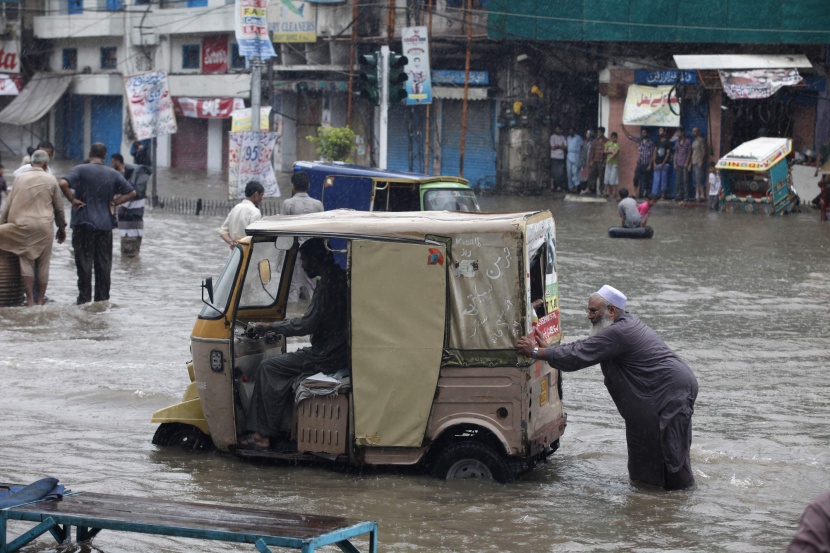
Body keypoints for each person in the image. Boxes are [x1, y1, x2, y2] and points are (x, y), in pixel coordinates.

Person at [516, 285, 698, 490]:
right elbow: (583, 346)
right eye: (588, 310)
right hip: (653, 394)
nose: (589, 316)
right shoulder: (618, 328)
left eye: (593, 311)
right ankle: (648, 496)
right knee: (643, 444)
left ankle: (682, 496)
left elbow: (578, 354)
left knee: (671, 450)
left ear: (611, 310)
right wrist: (549, 351)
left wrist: (536, 352)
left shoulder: (619, 331)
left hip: (670, 391)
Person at [239, 238, 349, 451]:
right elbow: (315, 320)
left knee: (269, 367)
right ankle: (281, 426)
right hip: (335, 350)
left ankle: (261, 436)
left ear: (315, 260)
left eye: (304, 261)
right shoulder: (337, 278)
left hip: (326, 355)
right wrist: (281, 325)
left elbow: (307, 324)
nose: (303, 266)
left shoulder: (327, 286)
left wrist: (271, 326)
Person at [59, 143, 135, 304]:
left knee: (84, 263)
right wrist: (114, 202)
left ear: (89, 154)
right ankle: (102, 301)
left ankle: (84, 300)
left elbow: (63, 183)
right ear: (105, 156)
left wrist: (73, 199)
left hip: (83, 223)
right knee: (104, 264)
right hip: (104, 225)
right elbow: (131, 192)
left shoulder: (79, 170)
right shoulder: (113, 173)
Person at [0, 150, 66, 306]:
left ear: (31, 163)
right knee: (43, 264)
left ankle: (29, 299)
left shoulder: (19, 179)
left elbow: (8, 205)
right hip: (44, 227)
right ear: (46, 164)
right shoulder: (51, 179)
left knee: (26, 261)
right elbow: (59, 208)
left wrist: (2, 224)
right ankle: (40, 300)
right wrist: (62, 228)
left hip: (22, 226)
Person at [282, 172, 324, 302]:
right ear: (308, 185)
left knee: (293, 287)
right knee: (311, 287)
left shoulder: (288, 204)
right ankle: (311, 310)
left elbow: (283, 230)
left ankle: (293, 312)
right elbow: (322, 231)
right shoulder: (317, 204)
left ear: (293, 186)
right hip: (313, 254)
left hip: (294, 252)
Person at [111, 154, 151, 257]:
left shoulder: (128, 196)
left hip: (128, 232)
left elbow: (121, 211)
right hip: (137, 229)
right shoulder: (140, 194)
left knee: (128, 259)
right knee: (134, 257)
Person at [219, 180, 264, 249]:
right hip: (247, 251)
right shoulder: (255, 212)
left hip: (234, 252)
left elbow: (223, 231)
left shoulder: (236, 208)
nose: (261, 198)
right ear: (256, 195)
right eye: (261, 195)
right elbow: (254, 237)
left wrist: (231, 242)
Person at [622, 125, 655, 199]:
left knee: (646, 180)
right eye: (642, 133)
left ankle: (644, 194)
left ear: (648, 134)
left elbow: (652, 154)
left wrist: (650, 164)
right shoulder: (640, 140)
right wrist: (623, 128)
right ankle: (636, 193)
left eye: (645, 133)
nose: (643, 134)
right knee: (636, 178)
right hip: (640, 163)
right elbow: (629, 137)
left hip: (647, 163)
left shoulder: (651, 143)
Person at [652, 127, 672, 199]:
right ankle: (654, 194)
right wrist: (654, 163)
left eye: (661, 130)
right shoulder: (657, 141)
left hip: (664, 164)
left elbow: (668, 153)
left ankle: (663, 194)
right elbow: (654, 151)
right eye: (659, 130)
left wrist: (663, 163)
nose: (660, 132)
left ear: (664, 132)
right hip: (657, 163)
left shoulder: (667, 142)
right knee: (656, 179)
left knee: (664, 179)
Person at [587, 127, 608, 196]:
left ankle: (601, 190)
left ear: (603, 132)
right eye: (598, 132)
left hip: (602, 161)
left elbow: (607, 152)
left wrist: (605, 161)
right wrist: (590, 160)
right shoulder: (595, 141)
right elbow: (591, 151)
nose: (599, 133)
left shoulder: (607, 141)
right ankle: (590, 189)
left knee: (601, 177)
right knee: (591, 175)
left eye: (600, 132)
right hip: (594, 161)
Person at [673, 128, 693, 202]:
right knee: (678, 181)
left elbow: (689, 152)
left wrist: (687, 162)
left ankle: (686, 196)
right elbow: (676, 152)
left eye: (678, 132)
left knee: (685, 181)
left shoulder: (687, 141)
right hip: (678, 163)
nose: (677, 134)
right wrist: (674, 162)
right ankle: (678, 195)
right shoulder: (677, 142)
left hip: (685, 164)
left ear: (682, 133)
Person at [549, 125, 567, 192]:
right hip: (554, 157)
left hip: (561, 157)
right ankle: (553, 186)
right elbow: (553, 147)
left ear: (561, 130)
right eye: (556, 129)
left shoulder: (563, 137)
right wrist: (560, 146)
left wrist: (558, 146)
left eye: (558, 129)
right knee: (554, 172)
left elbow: (565, 147)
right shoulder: (552, 137)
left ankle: (559, 186)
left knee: (560, 172)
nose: (557, 130)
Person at [691, 127, 707, 202]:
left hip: (698, 161)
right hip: (694, 161)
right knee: (695, 179)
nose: (693, 133)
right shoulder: (694, 141)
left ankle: (701, 195)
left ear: (698, 132)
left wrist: (701, 161)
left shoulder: (701, 140)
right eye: (693, 131)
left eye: (695, 131)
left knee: (699, 179)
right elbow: (692, 152)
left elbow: (704, 151)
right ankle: (697, 194)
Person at [603, 132, 621, 199]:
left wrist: (609, 158)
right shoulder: (608, 143)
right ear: (611, 138)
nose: (614, 139)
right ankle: (607, 192)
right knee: (607, 177)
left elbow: (616, 153)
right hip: (608, 163)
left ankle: (613, 193)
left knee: (614, 177)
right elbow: (604, 151)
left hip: (614, 163)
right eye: (613, 138)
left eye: (615, 138)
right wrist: (610, 151)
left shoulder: (618, 144)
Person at [566, 127, 583, 192]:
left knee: (575, 172)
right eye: (570, 131)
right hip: (569, 155)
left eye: (572, 131)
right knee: (569, 172)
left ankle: (577, 186)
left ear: (574, 131)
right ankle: (570, 187)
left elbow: (582, 145)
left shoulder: (578, 138)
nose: (570, 132)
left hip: (576, 155)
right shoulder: (568, 138)